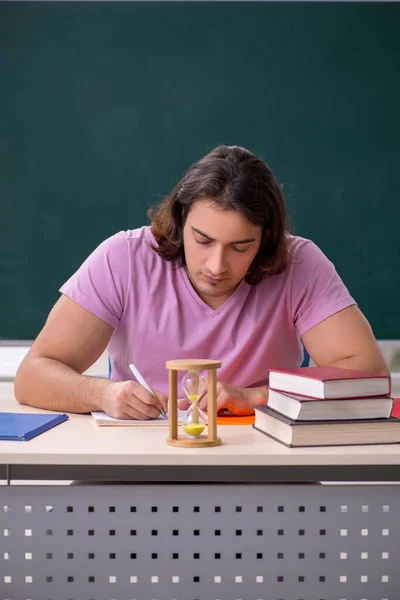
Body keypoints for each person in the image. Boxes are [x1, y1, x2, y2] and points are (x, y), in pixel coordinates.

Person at [15, 145, 389, 419]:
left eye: (240, 247)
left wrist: (255, 397)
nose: (216, 266)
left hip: (264, 460)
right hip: (140, 457)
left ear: (267, 239)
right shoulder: (123, 257)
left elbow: (369, 374)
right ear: (180, 218)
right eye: (203, 240)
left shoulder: (300, 262)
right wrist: (101, 393)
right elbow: (33, 375)